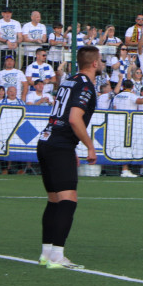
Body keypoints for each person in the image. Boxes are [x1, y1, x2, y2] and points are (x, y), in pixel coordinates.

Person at [37, 45, 101, 270]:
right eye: (100, 60)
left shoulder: (69, 80)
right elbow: (75, 118)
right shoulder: (86, 85)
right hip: (59, 145)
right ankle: (57, 256)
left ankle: (46, 253)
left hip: (47, 141)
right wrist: (89, 146)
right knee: (68, 200)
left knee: (54, 200)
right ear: (94, 63)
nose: (101, 63)